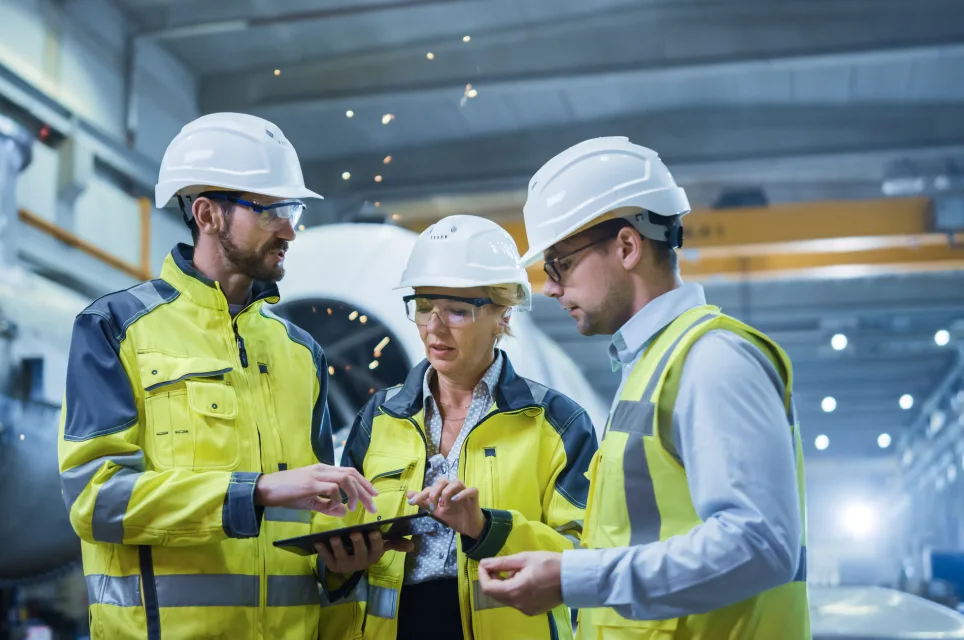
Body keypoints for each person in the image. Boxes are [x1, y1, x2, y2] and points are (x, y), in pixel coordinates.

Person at [56, 112, 399, 640]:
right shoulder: (116, 329)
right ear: (207, 214)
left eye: (294, 209)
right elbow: (95, 500)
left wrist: (341, 563)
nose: (290, 228)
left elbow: (313, 519)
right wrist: (255, 491)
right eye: (272, 210)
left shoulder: (300, 353)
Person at [477, 137, 810, 639]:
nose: (549, 287)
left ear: (628, 246)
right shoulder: (651, 366)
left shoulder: (711, 360)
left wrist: (575, 578)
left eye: (560, 264)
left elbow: (760, 544)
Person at [314, 215, 599, 640]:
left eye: (457, 311)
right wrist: (338, 565)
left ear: (503, 315)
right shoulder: (379, 417)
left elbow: (585, 560)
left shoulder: (556, 423)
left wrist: (487, 528)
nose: (434, 328)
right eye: (424, 307)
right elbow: (332, 537)